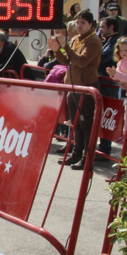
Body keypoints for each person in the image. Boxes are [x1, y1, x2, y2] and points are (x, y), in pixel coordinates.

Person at [48, 10, 101, 170]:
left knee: (86, 125)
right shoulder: (77, 39)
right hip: (73, 86)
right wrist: (57, 50)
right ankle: (76, 154)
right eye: (77, 22)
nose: (79, 26)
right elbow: (67, 60)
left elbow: (82, 61)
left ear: (91, 24)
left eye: (83, 23)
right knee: (76, 123)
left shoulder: (93, 41)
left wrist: (66, 47)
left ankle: (87, 157)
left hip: (86, 87)